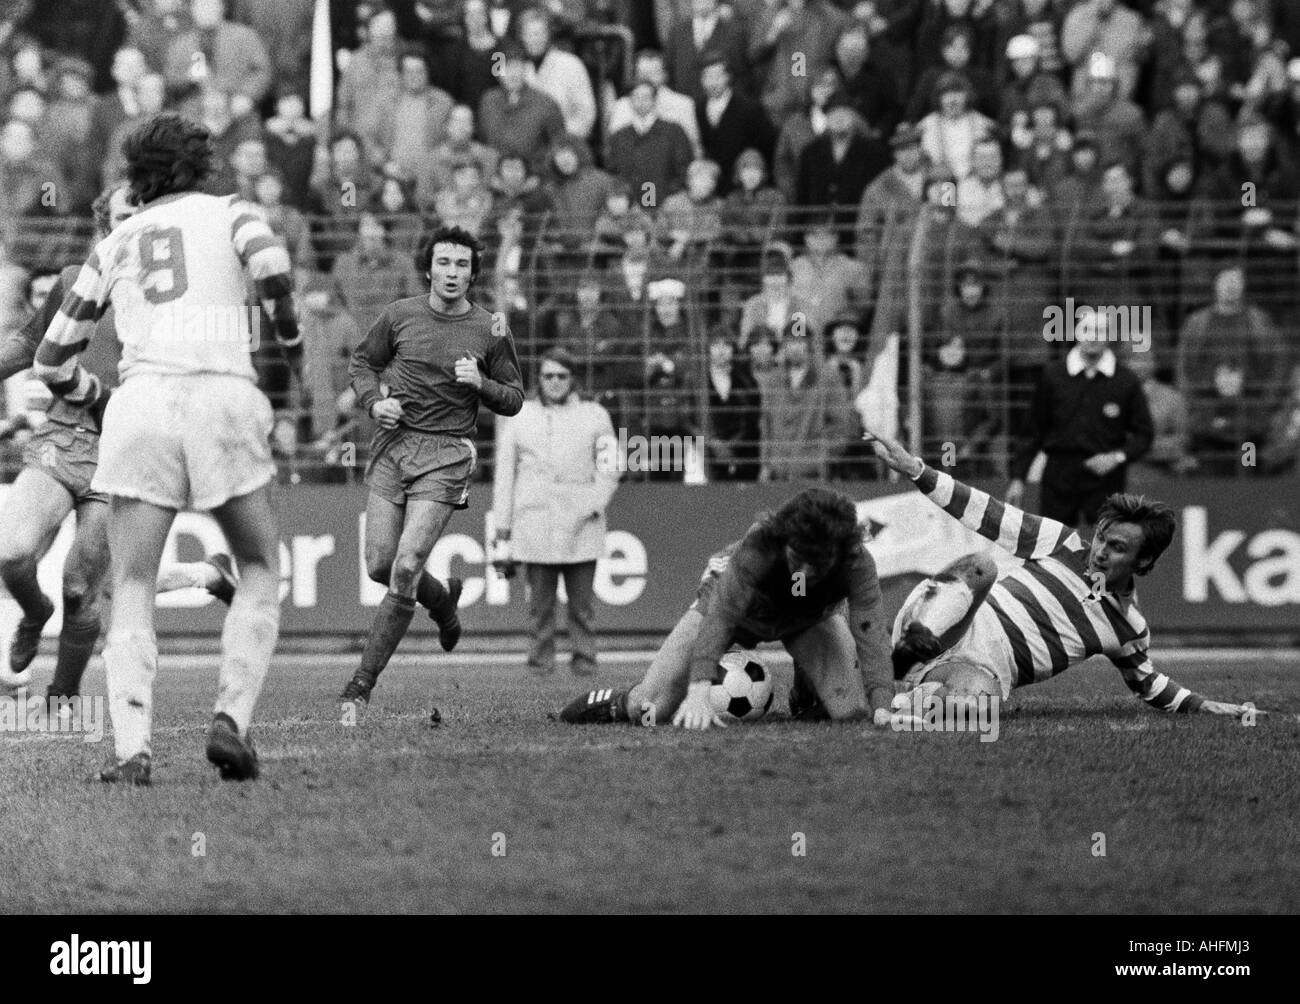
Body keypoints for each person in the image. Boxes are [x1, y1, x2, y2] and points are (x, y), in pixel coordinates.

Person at [32, 114, 302, 785]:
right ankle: (230, 720)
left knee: (130, 584)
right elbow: (270, 265)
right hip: (222, 395)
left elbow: (51, 357)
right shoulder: (230, 211)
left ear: (140, 172)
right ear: (198, 164)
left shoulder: (117, 239)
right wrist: (289, 339)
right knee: (260, 564)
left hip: (142, 401)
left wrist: (91, 392)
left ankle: (132, 753)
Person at [0, 185, 240, 707]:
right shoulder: (72, 282)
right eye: (123, 214)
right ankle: (35, 613)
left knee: (85, 587)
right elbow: (30, 344)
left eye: (142, 213)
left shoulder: (174, 295)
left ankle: (61, 697)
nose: (135, 221)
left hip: (128, 447)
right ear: (103, 224)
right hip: (65, 435)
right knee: (11, 553)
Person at [862, 424, 1261, 721]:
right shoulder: (1063, 542)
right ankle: (906, 655)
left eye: (1117, 548)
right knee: (981, 566)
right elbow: (986, 513)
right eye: (1103, 537)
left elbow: (1150, 685)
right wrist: (916, 469)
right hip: (951, 620)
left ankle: (904, 697)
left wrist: (1205, 705)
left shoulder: (1127, 627)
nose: (1101, 551)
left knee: (982, 709)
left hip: (982, 669)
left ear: (1143, 563)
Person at [340, 226, 524, 706]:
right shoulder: (399, 315)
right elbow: (362, 364)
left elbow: (515, 399)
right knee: (380, 564)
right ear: (428, 268)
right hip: (393, 445)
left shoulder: (492, 327)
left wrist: (482, 383)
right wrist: (374, 401)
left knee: (406, 565)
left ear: (472, 274)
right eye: (444, 263)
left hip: (446, 453)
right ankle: (442, 601)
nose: (452, 273)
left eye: (462, 265)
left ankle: (361, 683)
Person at [559, 487, 895, 729]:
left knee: (852, 712)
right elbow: (721, 617)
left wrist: (882, 705)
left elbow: (871, 631)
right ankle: (612, 702)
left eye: (817, 565)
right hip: (740, 610)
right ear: (785, 539)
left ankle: (806, 694)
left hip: (808, 618)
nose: (803, 573)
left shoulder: (856, 561)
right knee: (650, 708)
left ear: (840, 552)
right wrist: (699, 689)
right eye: (798, 559)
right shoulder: (761, 544)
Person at [491, 348, 619, 677]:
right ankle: (539, 666)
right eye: (549, 376)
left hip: (582, 524)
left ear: (572, 378)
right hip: (535, 522)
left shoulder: (596, 415)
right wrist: (502, 531)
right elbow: (505, 477)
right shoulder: (520, 416)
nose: (555, 382)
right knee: (540, 608)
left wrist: (591, 504)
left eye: (562, 376)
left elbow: (610, 468)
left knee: (583, 606)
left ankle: (585, 664)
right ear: (539, 379)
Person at [1007, 310, 1153, 530]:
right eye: (1087, 330)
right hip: (1059, 476)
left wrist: (1116, 457)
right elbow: (1032, 431)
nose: (1093, 336)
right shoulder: (1053, 376)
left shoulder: (1125, 381)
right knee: (1052, 548)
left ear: (1110, 335)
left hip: (1106, 479)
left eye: (1100, 331)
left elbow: (1144, 434)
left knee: (1108, 547)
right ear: (1076, 332)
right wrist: (1018, 478)